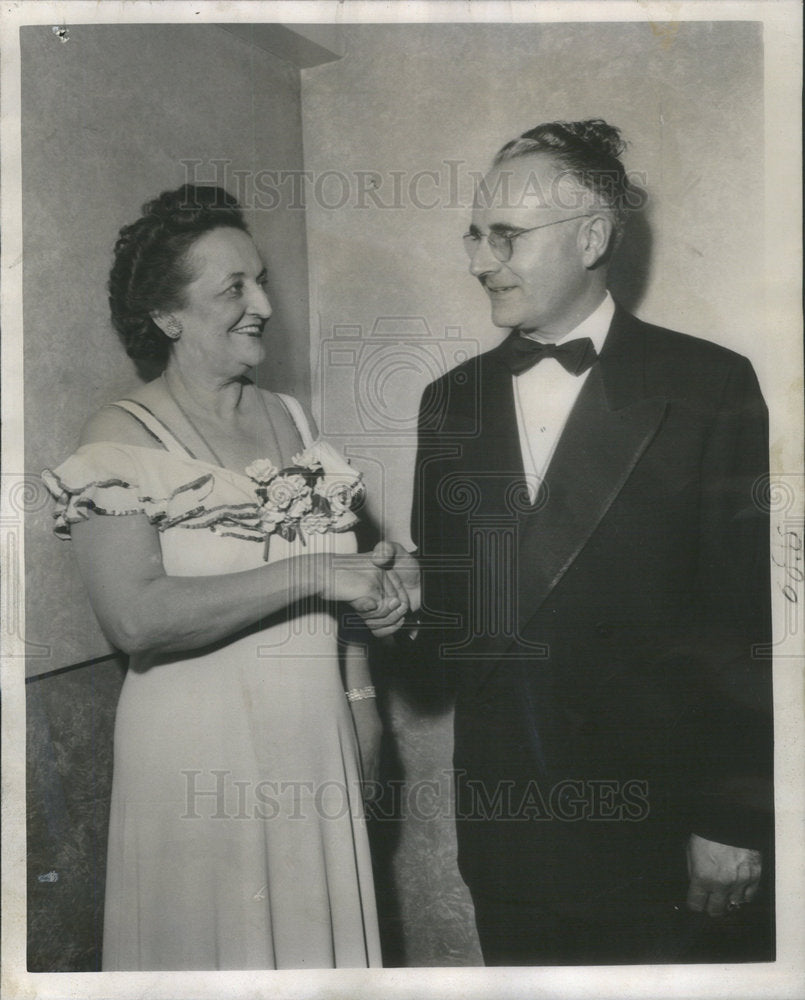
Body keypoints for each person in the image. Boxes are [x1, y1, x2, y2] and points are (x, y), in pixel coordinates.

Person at [385, 120, 773, 964]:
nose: (478, 260)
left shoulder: (710, 385)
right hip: (508, 836)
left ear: (591, 236)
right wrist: (400, 602)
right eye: (474, 235)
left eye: (506, 237)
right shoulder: (447, 403)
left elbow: (746, 623)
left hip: (660, 832)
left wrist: (731, 820)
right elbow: (459, 624)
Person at [43, 185, 409, 970]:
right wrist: (314, 573)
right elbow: (135, 620)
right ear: (167, 316)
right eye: (233, 288)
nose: (264, 305)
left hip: (315, 738)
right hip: (196, 753)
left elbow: (342, 582)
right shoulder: (118, 438)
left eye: (262, 280)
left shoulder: (294, 421)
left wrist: (363, 694)